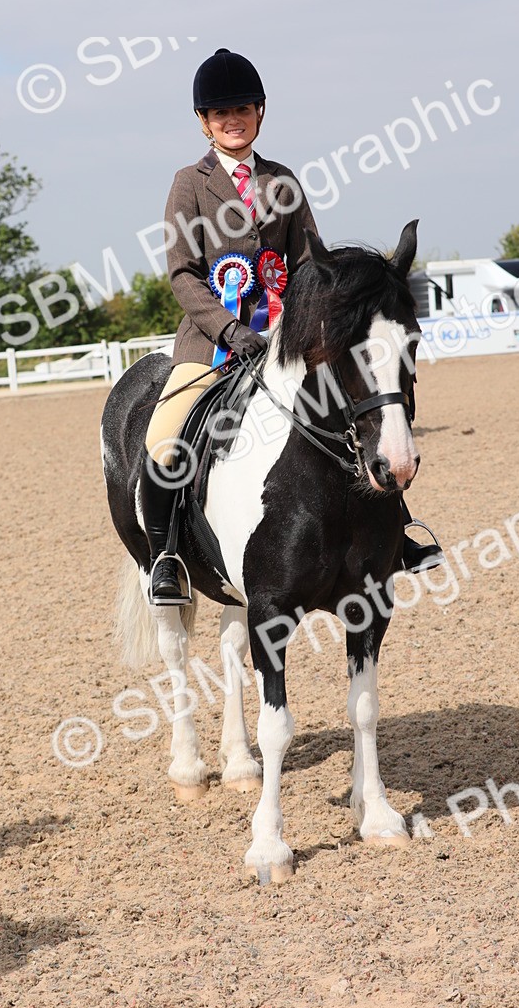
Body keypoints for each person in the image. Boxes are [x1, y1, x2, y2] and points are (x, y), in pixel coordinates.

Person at [141, 48, 443, 604]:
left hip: (288, 343)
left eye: (243, 109)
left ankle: (397, 531)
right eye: (220, 113)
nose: (233, 120)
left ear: (259, 112)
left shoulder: (282, 181)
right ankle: (165, 559)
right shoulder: (190, 183)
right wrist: (230, 330)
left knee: (360, 418)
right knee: (166, 437)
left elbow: (311, 266)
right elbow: (182, 274)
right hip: (213, 344)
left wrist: (314, 324)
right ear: (204, 123)